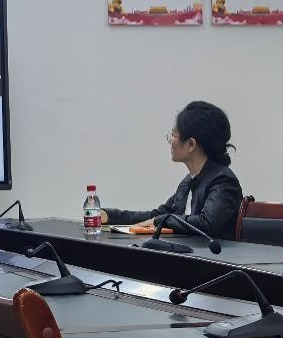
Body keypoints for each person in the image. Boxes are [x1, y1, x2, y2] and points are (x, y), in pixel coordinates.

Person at [101, 100, 243, 239]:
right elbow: (156, 216)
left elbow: (207, 223)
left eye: (174, 135)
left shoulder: (223, 180)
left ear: (191, 144)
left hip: (214, 254)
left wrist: (162, 220)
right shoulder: (188, 182)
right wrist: (110, 216)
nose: (170, 141)